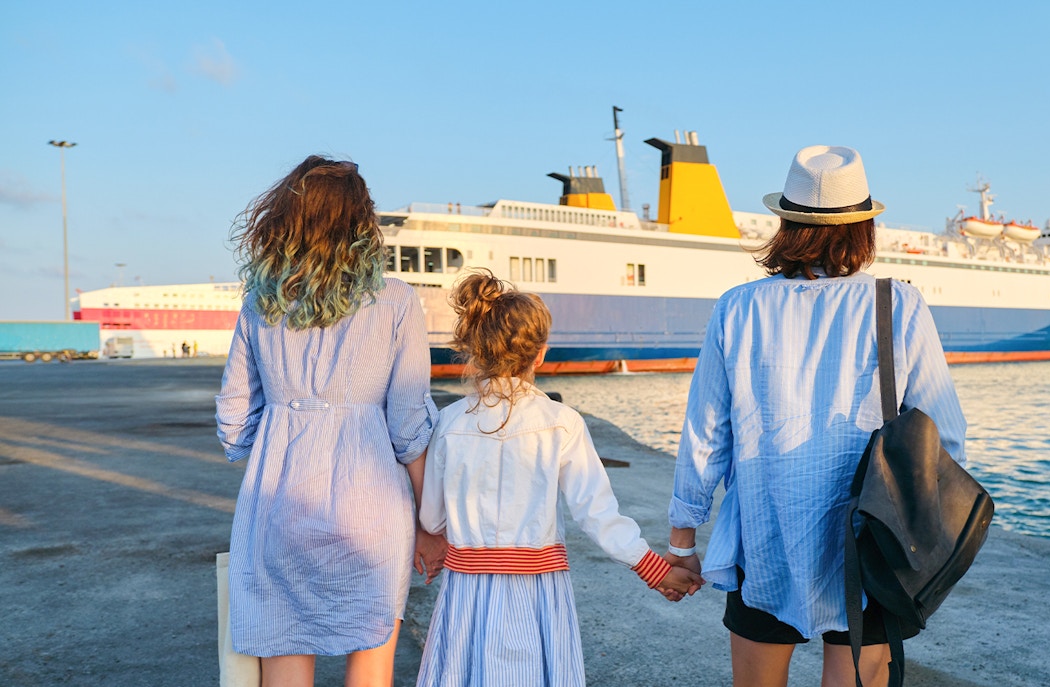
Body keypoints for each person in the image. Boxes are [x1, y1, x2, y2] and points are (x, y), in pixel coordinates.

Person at [665, 146, 968, 687]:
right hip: (869, 540)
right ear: (864, 228)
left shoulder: (738, 306)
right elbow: (942, 437)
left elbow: (705, 436)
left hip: (763, 536)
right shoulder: (897, 303)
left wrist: (682, 545)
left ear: (785, 225)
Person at [216, 156, 444, 686]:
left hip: (279, 500)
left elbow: (233, 421)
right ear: (361, 221)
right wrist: (429, 523)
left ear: (285, 219)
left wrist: (283, 429)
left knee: (284, 650)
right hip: (372, 506)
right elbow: (408, 424)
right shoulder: (396, 300)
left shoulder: (261, 304)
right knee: (371, 664)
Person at [415, 270, 703, 687]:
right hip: (536, 590)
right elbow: (597, 515)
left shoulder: (449, 422)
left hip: (467, 591)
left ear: (476, 350)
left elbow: (432, 518)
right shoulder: (561, 422)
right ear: (540, 355)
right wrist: (654, 570)